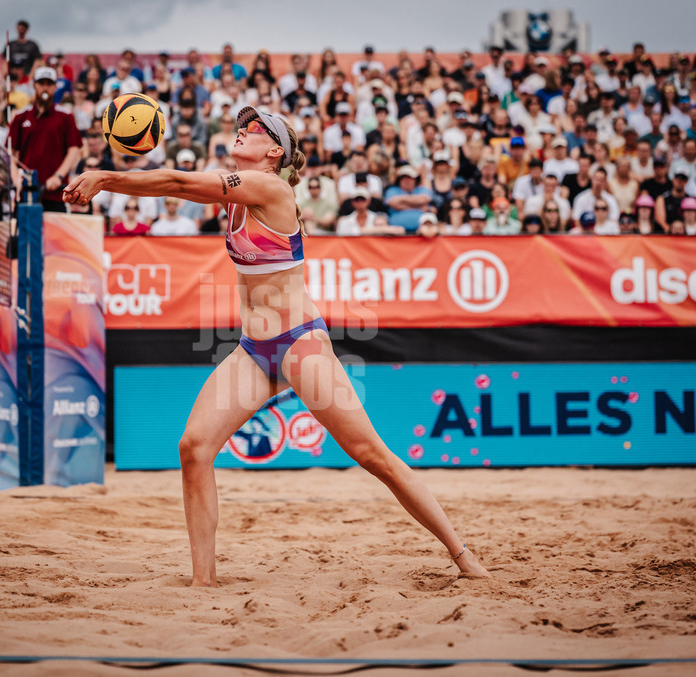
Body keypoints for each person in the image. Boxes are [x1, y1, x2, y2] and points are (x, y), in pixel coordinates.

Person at [63, 107, 489, 586]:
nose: (243, 129)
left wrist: (106, 175)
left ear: (274, 152)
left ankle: (463, 555)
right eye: (243, 124)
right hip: (254, 349)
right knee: (194, 448)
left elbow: (178, 185)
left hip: (299, 342)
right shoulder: (240, 191)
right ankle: (203, 580)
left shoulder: (269, 188)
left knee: (372, 455)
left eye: (257, 128)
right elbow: (181, 185)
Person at [8, 67, 83, 212]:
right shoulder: (21, 116)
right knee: (25, 232)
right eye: (41, 83)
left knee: (55, 234)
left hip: (55, 193)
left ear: (55, 87)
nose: (45, 88)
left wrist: (58, 176)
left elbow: (74, 149)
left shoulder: (65, 116)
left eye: (49, 84)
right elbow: (11, 152)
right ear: (34, 85)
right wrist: (16, 178)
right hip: (27, 191)